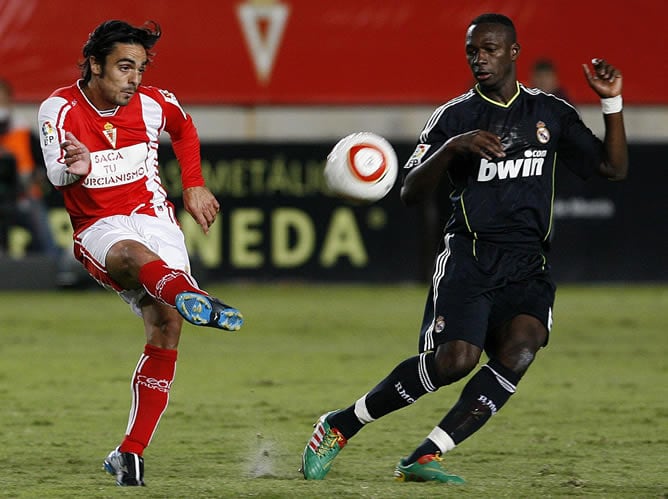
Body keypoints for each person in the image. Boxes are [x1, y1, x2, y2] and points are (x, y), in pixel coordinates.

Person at [301, 13, 627, 484]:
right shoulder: (454, 117)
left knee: (523, 345)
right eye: (473, 50)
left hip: (528, 262)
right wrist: (453, 148)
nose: (480, 59)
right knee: (456, 360)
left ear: (514, 52)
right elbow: (411, 192)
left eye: (490, 49)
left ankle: (426, 456)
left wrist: (612, 102)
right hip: (470, 256)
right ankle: (340, 425)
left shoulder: (549, 113)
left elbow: (613, 169)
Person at [38, 20, 244, 487]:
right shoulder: (60, 107)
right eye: (124, 67)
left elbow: (184, 128)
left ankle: (129, 454)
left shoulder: (154, 104)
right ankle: (196, 297)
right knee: (131, 256)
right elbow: (56, 174)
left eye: (140, 68)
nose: (134, 79)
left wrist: (193, 186)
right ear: (94, 64)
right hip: (99, 228)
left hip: (155, 218)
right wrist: (79, 166)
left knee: (166, 325)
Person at [0, 79, 60, 258]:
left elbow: (43, 167)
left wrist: (34, 181)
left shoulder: (24, 132)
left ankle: (55, 267)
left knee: (39, 224)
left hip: (23, 197)